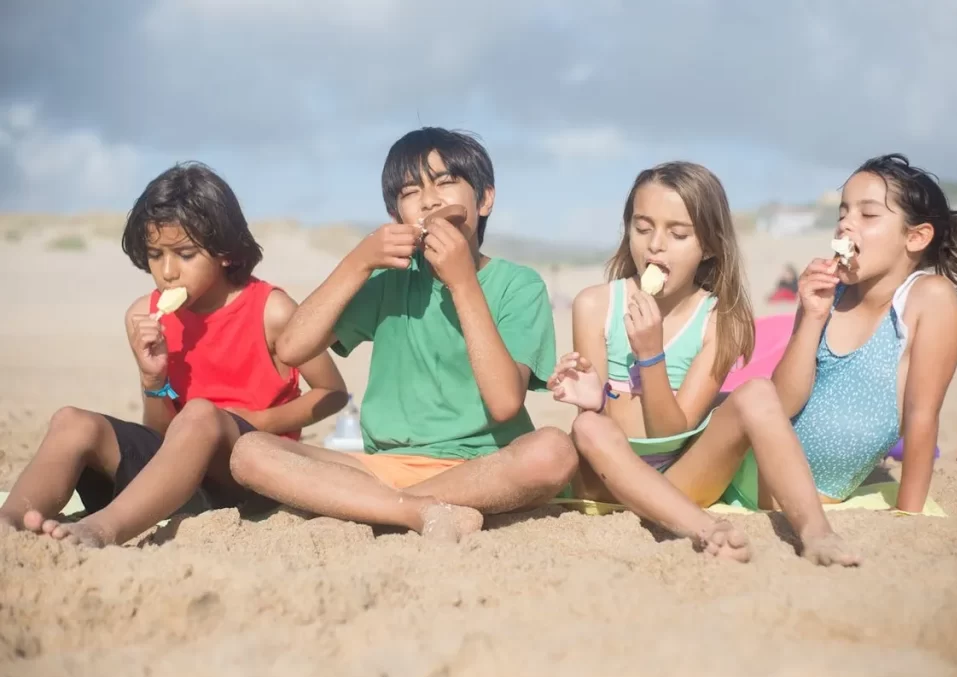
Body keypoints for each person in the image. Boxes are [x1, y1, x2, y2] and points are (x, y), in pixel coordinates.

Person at [229, 127, 577, 541]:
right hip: (383, 465)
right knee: (250, 453)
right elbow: (290, 348)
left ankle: (383, 507)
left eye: (446, 181)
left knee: (552, 452)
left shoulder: (519, 284)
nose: (429, 200)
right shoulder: (389, 280)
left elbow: (504, 404)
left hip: (483, 467)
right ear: (397, 216)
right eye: (411, 191)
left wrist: (462, 283)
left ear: (484, 199)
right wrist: (357, 262)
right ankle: (416, 510)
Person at [0, 162, 347, 547]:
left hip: (250, 470)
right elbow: (161, 435)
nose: (167, 272)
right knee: (71, 421)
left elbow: (333, 392)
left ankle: (102, 529)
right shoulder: (143, 315)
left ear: (226, 252)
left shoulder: (271, 311)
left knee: (200, 413)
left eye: (184, 254)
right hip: (175, 476)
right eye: (155, 254)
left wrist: (261, 419)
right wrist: (154, 382)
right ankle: (11, 520)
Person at [549, 161, 859, 565]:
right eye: (642, 228)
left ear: (709, 246)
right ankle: (704, 528)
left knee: (758, 392)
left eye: (677, 234)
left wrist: (650, 354)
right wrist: (593, 400)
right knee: (588, 425)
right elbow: (603, 430)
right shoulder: (595, 304)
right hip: (609, 482)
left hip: (684, 476)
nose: (655, 245)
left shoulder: (722, 318)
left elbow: (672, 431)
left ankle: (816, 533)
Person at [756, 153, 957, 511]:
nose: (845, 224)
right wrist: (812, 318)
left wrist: (909, 514)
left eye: (868, 214)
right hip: (750, 470)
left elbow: (922, 416)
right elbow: (779, 405)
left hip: (804, 494)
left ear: (916, 237)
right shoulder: (828, 297)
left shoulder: (929, 300)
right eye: (842, 213)